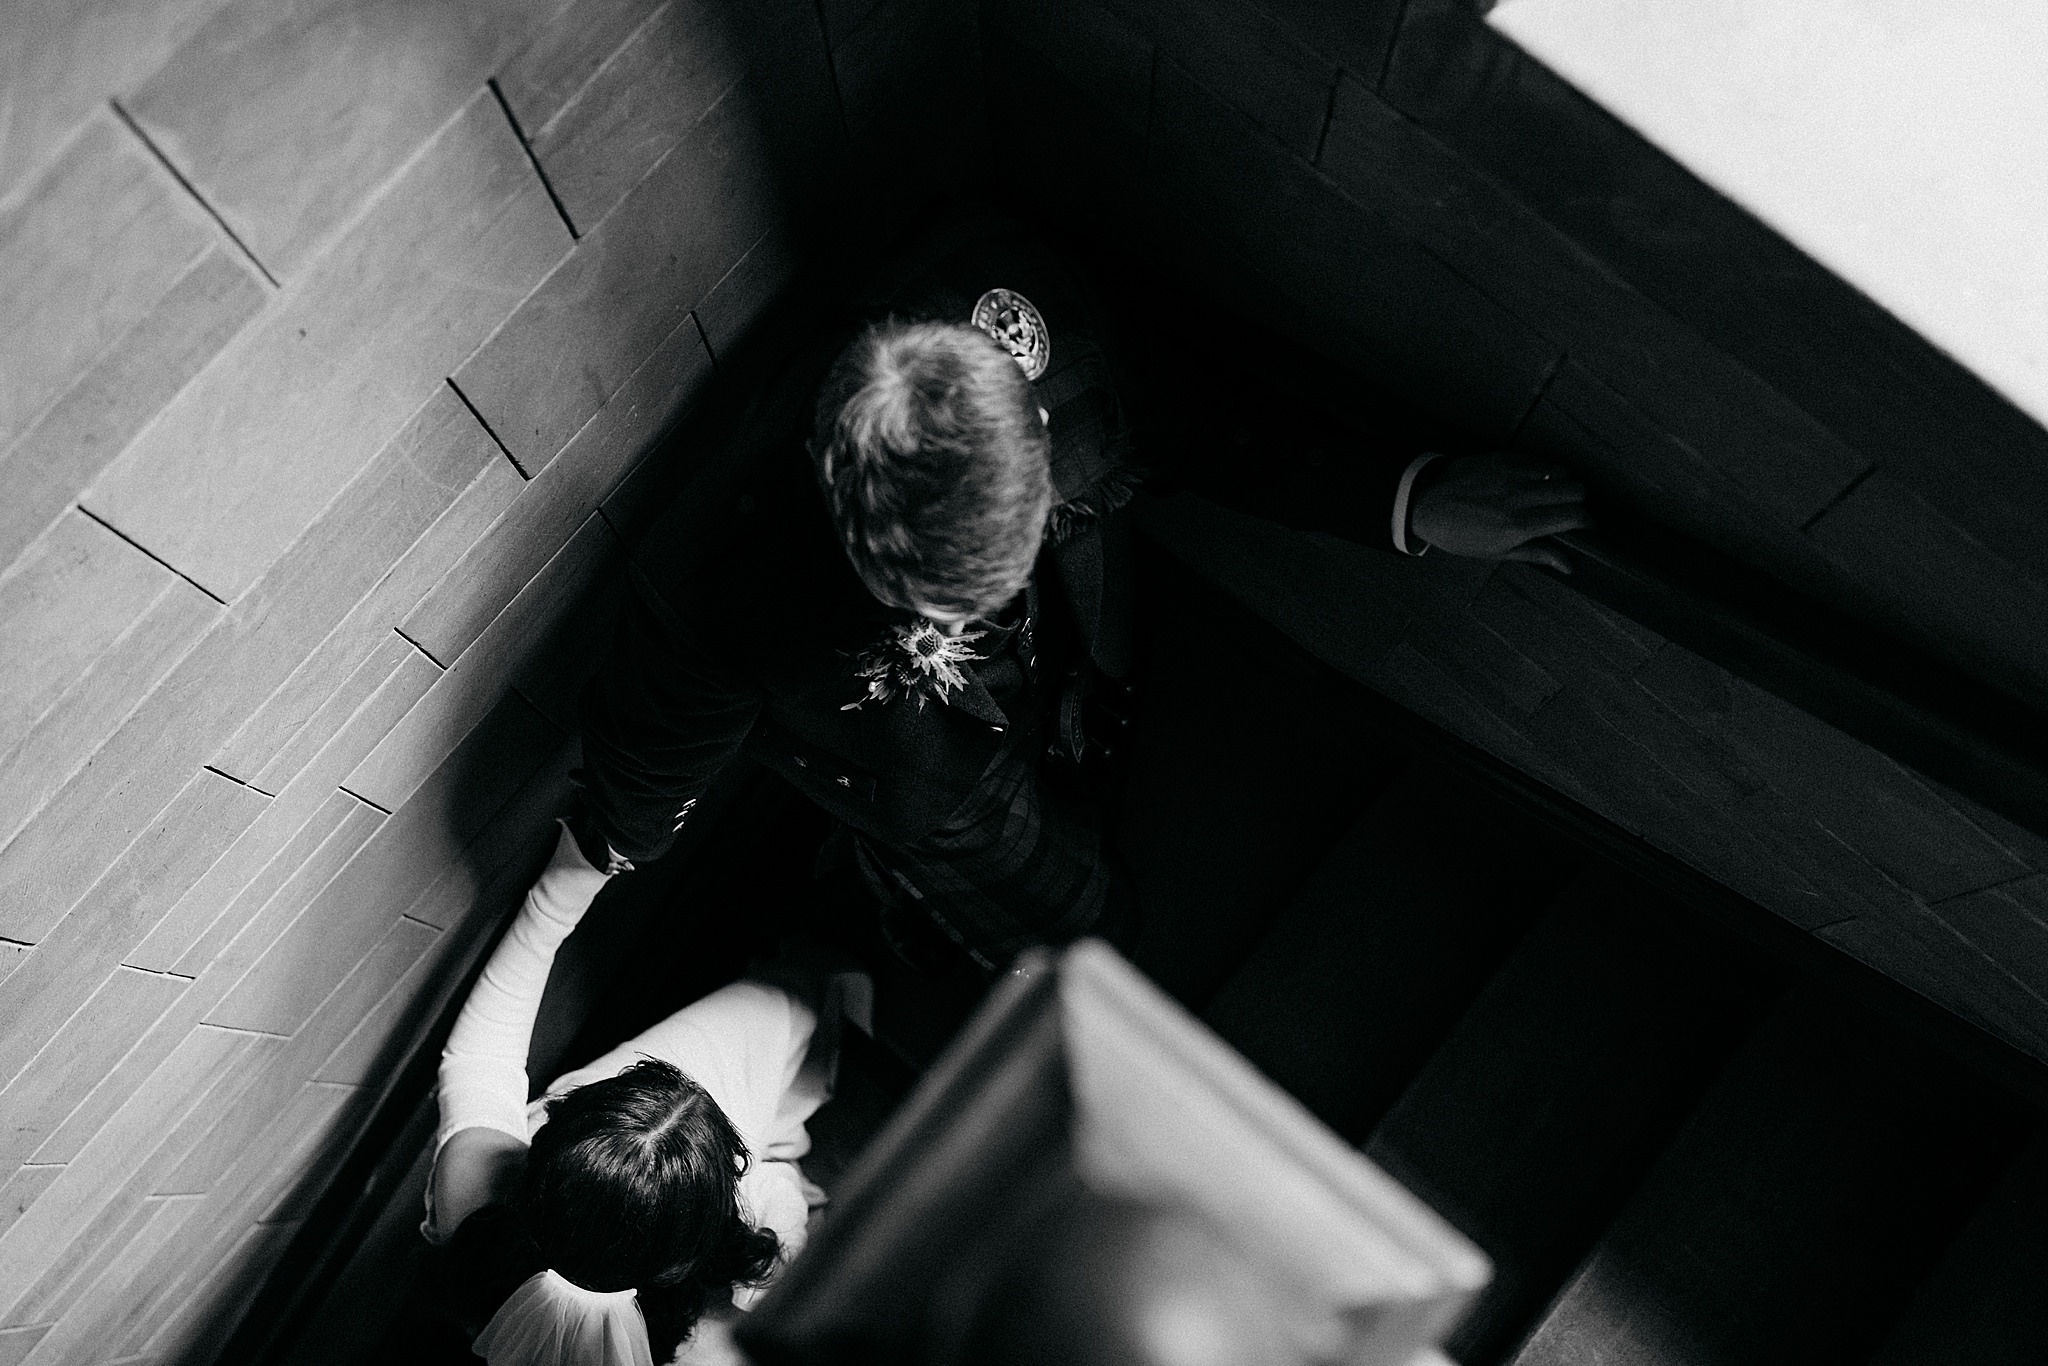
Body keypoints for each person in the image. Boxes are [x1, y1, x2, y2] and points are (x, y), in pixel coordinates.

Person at [569, 206, 1588, 975]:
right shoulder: (717, 594)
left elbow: (1194, 421)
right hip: (937, 790)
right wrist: (599, 863)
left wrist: (1410, 498)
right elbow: (638, 781)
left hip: (1081, 649)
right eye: (934, 594)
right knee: (1062, 930)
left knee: (1096, 748)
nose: (984, 610)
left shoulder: (1015, 302)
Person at [424, 820, 866, 1366]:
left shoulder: (474, 1185)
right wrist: (777, 1211)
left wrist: (568, 882)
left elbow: (480, 1055)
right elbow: (773, 1208)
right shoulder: (720, 1334)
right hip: (753, 1180)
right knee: (790, 1002)